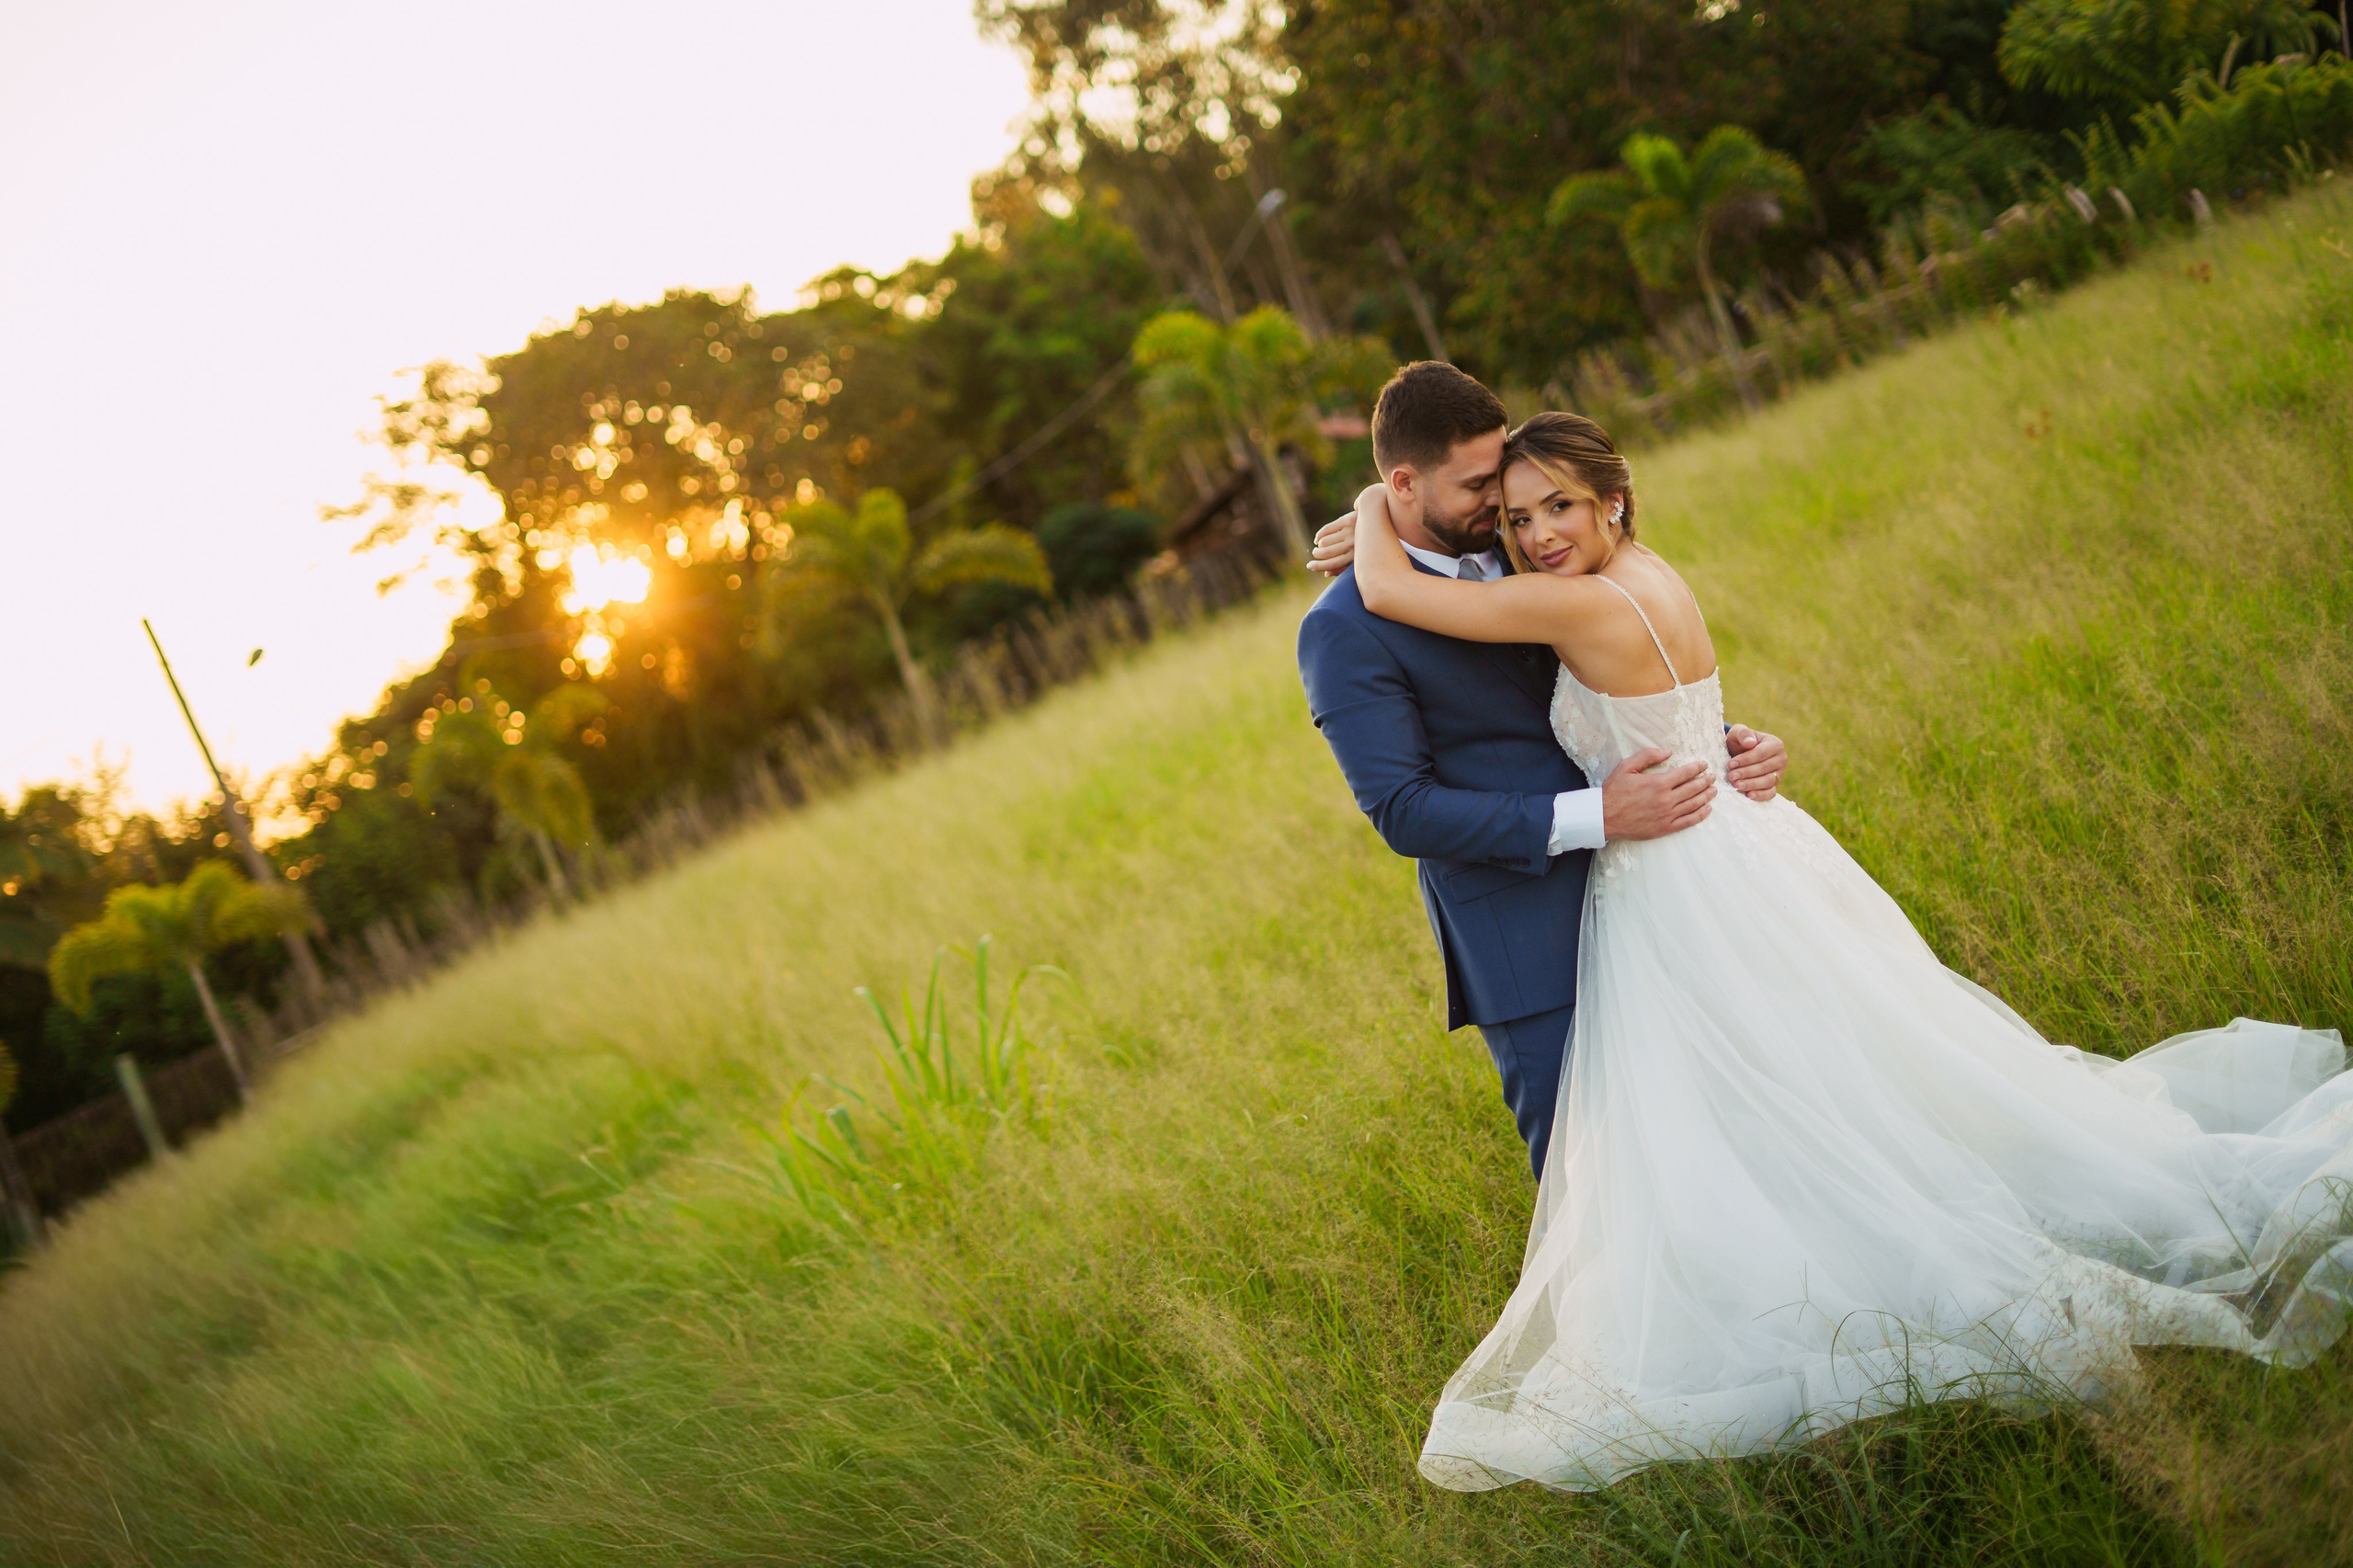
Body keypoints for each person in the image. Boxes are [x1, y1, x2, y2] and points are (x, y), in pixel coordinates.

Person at [1318, 402, 2353, 1494]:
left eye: (1544, 504)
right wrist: (1702, 745)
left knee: (1780, 1102)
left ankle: (1794, 1320)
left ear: (1611, 499)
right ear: (1410, 483)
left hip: (1677, 880)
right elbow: (1408, 792)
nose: (1516, 527)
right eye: (1504, 503)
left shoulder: (1562, 588)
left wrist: (1363, 517)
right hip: (1692, 866)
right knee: (1766, 1102)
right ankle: (1738, 1289)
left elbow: (1428, 600)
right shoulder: (1553, 582)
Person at [1295, 363, 1787, 1183]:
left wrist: (1720, 741)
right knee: (1600, 1185)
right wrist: (1601, 815)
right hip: (1531, 945)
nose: (1505, 504)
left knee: (1731, 1132)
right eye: (1481, 484)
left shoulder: (1529, 549)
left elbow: (1598, 689)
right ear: (1405, 483)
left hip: (1662, 897)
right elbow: (1404, 811)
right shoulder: (1344, 629)